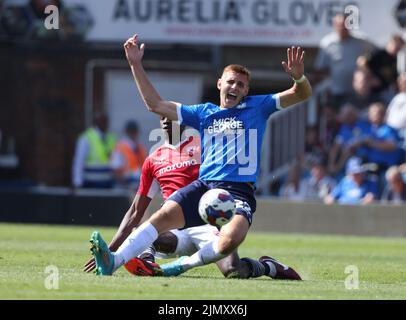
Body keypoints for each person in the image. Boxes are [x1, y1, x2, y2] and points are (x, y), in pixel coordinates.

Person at [89, 34, 311, 277]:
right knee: (160, 217)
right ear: (219, 84)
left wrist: (298, 77)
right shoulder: (204, 113)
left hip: (237, 192)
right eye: (230, 82)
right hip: (203, 188)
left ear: (246, 90)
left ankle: (184, 266)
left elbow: (301, 94)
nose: (234, 87)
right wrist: (135, 64)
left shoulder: (259, 106)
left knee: (230, 249)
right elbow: (155, 104)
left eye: (240, 84)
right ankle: (114, 261)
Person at [84, 117, 300, 280]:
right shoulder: (153, 159)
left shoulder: (203, 146)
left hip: (208, 221)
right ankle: (143, 261)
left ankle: (266, 266)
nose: (167, 121)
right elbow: (135, 211)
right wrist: (111, 249)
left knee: (233, 271)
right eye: (163, 116)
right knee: (147, 230)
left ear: (183, 119)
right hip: (175, 226)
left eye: (173, 116)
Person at [314, 13, 376, 109]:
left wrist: (366, 61)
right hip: (337, 92)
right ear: (335, 25)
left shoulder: (360, 41)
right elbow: (320, 69)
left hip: (357, 92)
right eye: (340, 25)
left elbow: (376, 53)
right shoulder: (327, 43)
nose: (342, 27)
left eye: (345, 24)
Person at [71, 111, 117, 189]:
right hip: (91, 184)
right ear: (96, 122)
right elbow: (79, 161)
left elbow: (115, 162)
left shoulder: (111, 138)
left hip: (107, 184)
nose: (104, 123)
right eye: (102, 121)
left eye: (106, 121)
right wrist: (77, 182)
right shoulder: (86, 138)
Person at [111, 120, 147, 190]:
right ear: (127, 132)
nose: (133, 133)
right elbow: (116, 169)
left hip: (139, 184)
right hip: (126, 184)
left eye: (134, 131)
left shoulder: (140, 147)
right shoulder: (120, 147)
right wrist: (124, 184)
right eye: (131, 131)